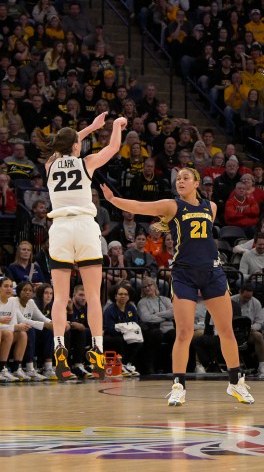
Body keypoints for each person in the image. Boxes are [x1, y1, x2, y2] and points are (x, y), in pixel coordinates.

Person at [101, 168, 254, 407]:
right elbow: (141, 206)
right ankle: (178, 386)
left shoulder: (210, 207)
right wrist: (112, 200)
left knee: (227, 330)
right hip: (184, 273)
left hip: (213, 272)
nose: (180, 181)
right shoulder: (172, 206)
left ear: (196, 183)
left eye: (185, 178)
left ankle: (235, 382)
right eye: (178, 179)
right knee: (184, 333)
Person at [35, 112, 126, 380]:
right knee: (94, 295)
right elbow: (113, 147)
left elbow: (66, 145)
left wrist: (88, 128)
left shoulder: (50, 165)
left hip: (60, 230)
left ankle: (59, 347)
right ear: (76, 146)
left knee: (61, 298)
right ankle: (97, 349)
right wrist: (116, 126)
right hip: (85, 228)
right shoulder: (86, 163)